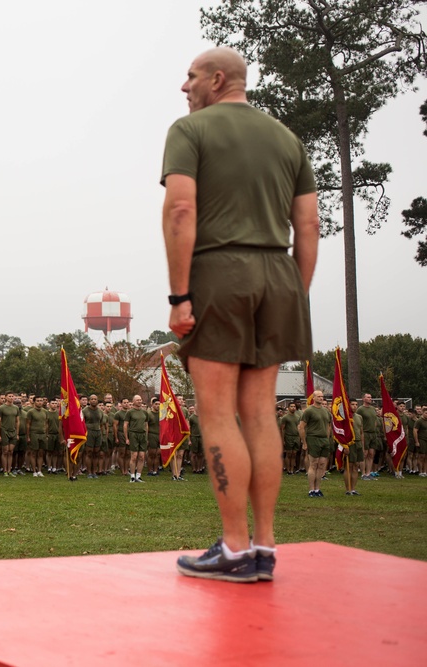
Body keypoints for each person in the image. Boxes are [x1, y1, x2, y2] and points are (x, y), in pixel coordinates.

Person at [164, 47, 319, 583]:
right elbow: (310, 225)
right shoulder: (287, 138)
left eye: (191, 77)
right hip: (278, 273)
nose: (184, 87)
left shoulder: (191, 131)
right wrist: (293, 294)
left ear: (218, 79)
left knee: (217, 413)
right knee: (259, 413)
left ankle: (233, 548)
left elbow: (181, 209)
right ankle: (265, 546)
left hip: (219, 272)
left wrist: (178, 296)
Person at [299, 390, 332, 498]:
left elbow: (328, 426)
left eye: (322, 396)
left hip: (324, 440)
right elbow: (301, 427)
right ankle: (311, 489)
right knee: (313, 464)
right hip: (313, 438)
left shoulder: (326, 411)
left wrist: (327, 439)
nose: (321, 398)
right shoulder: (309, 411)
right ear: (313, 397)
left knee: (321, 465)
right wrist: (304, 442)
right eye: (318, 396)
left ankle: (317, 489)